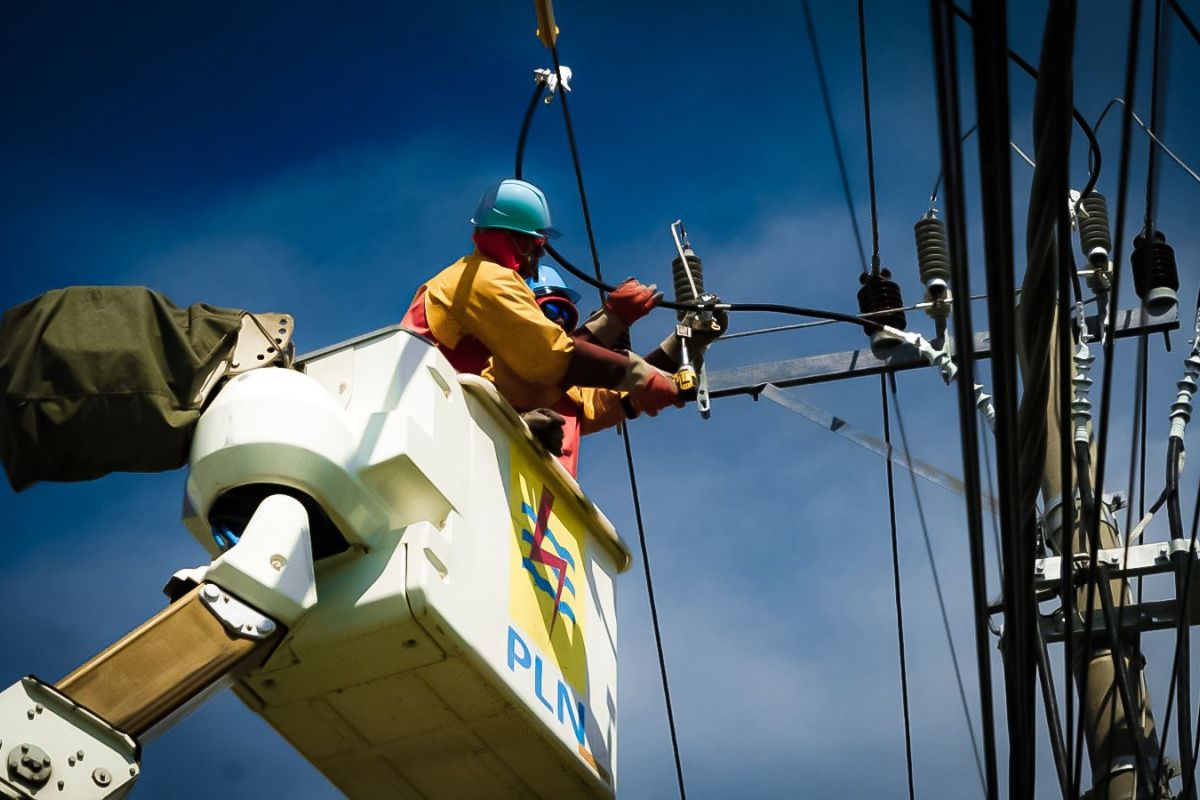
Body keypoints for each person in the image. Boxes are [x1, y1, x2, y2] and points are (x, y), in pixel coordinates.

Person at [400, 178, 680, 426]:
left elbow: (568, 377)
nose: (540, 256)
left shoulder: (474, 278)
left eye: (566, 315)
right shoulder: (482, 278)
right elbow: (551, 357)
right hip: (427, 418)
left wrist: (669, 344)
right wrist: (640, 374)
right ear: (517, 240)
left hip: (444, 424)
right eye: (538, 246)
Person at [514, 264, 725, 476]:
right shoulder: (499, 362)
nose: (560, 319)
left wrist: (685, 341)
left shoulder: (574, 395)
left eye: (566, 314)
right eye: (550, 310)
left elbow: (627, 393)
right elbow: (549, 362)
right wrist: (611, 320)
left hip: (549, 497)